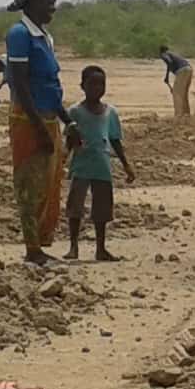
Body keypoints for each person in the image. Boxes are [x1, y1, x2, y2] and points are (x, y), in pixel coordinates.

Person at [1, 0, 71, 267]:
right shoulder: (20, 34)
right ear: (31, 3)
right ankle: (32, 250)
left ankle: (40, 245)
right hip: (29, 120)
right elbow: (20, 84)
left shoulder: (44, 36)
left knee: (48, 184)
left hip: (49, 118)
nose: (53, 7)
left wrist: (68, 121)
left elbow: (50, 85)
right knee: (30, 184)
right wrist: (39, 127)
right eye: (48, 2)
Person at [64, 66, 135, 262]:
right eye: (92, 84)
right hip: (81, 165)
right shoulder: (75, 112)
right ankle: (73, 246)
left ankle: (101, 248)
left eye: (101, 84)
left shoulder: (110, 113)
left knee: (102, 209)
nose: (97, 88)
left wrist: (126, 165)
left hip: (102, 166)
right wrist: (63, 159)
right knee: (75, 206)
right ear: (82, 86)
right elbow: (69, 139)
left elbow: (115, 140)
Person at [159, 46, 195, 118]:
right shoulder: (173, 54)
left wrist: (167, 76)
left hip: (182, 70)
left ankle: (178, 115)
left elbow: (169, 62)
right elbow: (171, 64)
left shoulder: (164, 54)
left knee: (176, 93)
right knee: (184, 94)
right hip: (189, 69)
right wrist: (167, 77)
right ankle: (186, 114)